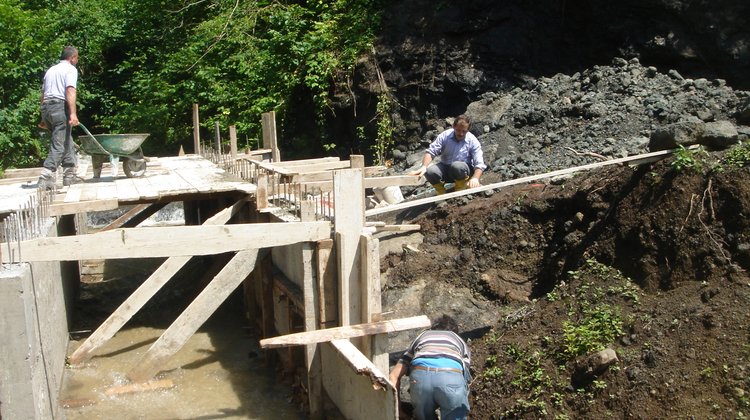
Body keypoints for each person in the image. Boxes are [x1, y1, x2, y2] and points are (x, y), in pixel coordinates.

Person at [389, 315, 472, 420]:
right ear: (454, 332)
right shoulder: (460, 342)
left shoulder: (421, 337)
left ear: (433, 329)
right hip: (451, 378)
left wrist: (398, 411)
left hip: (420, 380)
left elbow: (393, 376)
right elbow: (465, 379)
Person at [37, 46, 80, 189]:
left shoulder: (51, 70)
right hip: (58, 107)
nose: (77, 61)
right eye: (77, 58)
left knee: (66, 139)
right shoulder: (70, 70)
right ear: (72, 57)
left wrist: (43, 117)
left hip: (47, 107)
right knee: (59, 143)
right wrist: (73, 114)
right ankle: (46, 176)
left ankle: (69, 175)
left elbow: (43, 93)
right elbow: (70, 90)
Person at [411, 114, 487, 194]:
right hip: (446, 169)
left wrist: (475, 178)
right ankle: (441, 192)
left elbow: (479, 163)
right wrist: (424, 166)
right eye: (458, 130)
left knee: (457, 166)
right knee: (430, 171)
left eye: (464, 131)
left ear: (468, 130)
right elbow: (431, 151)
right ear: (453, 126)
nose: (461, 134)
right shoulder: (445, 136)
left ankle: (461, 188)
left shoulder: (472, 140)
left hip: (463, 172)